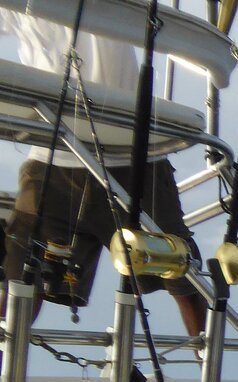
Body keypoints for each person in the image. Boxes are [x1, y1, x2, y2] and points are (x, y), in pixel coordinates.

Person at [0, 11, 206, 336]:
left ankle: (205, 355)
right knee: (21, 277)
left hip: (134, 150)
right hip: (53, 154)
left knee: (181, 272)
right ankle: (5, 355)